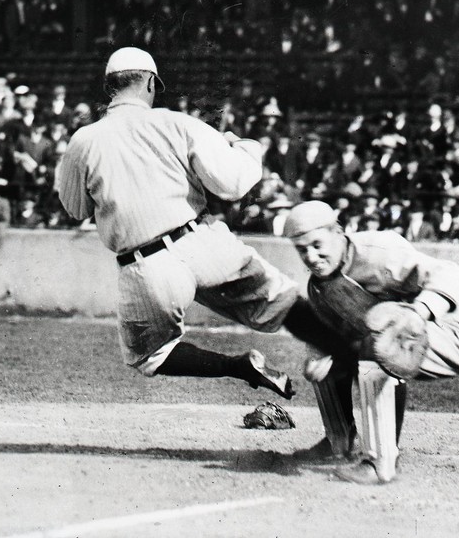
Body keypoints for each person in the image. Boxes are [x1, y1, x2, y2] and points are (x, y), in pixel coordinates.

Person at [58, 47, 336, 400]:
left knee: (151, 355)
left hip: (147, 264)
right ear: (150, 83)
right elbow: (234, 184)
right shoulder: (178, 122)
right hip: (200, 241)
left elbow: (75, 208)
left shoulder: (84, 141)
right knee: (283, 301)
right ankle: (341, 347)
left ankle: (238, 367)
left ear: (108, 88)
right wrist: (245, 148)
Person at [282, 200, 459, 484]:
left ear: (337, 232)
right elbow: (330, 341)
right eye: (302, 250)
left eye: (317, 244)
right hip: (400, 340)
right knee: (322, 356)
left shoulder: (379, 250)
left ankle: (380, 461)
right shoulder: (319, 286)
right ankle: (338, 442)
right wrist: (322, 358)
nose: (311, 256)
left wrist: (418, 313)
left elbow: (451, 273)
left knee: (373, 348)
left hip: (453, 332)